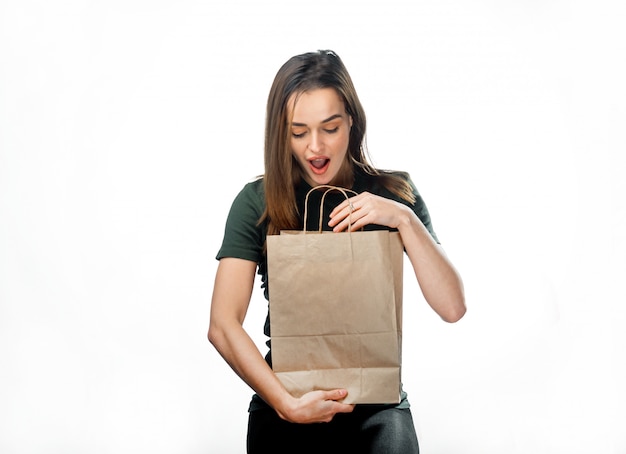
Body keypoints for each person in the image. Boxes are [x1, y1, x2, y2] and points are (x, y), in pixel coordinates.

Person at [208, 50, 466, 454]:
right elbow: (223, 325)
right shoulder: (256, 202)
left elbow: (452, 307)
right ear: (281, 133)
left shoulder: (395, 194)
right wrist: (285, 403)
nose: (315, 146)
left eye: (330, 127)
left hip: (377, 404)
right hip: (286, 394)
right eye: (298, 132)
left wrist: (403, 219)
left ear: (351, 120)